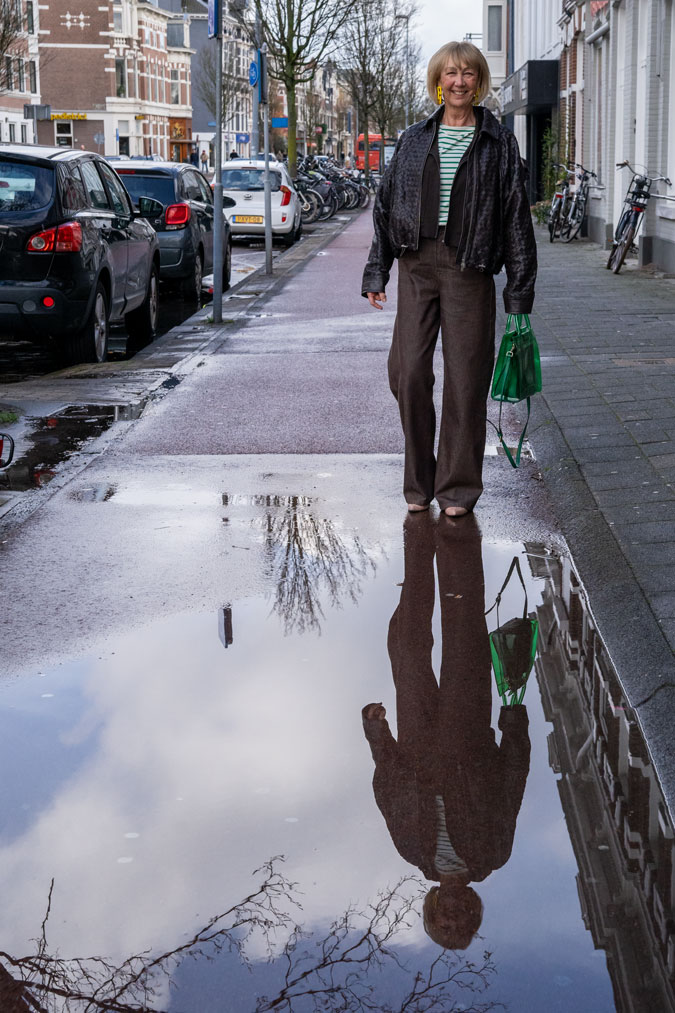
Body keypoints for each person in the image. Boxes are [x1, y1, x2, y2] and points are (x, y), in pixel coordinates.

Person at [362, 41, 537, 518]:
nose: (459, 81)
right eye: (450, 73)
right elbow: (385, 206)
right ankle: (418, 478)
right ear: (437, 81)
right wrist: (378, 270)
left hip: (470, 268)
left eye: (468, 74)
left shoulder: (499, 142)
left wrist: (519, 295)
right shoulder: (415, 138)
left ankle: (457, 487)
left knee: (465, 381)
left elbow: (516, 219)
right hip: (416, 266)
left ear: (479, 82)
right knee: (410, 374)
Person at [362, 513, 530, 950]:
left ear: (432, 912)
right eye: (463, 926)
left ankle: (418, 545)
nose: (453, 919)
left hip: (416, 735)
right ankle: (457, 533)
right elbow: (512, 779)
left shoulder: (412, 851)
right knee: (464, 628)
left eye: (444, 926)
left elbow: (387, 788)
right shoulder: (494, 854)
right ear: (474, 912)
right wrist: (513, 716)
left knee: (409, 644)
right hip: (467, 730)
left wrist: (376, 733)